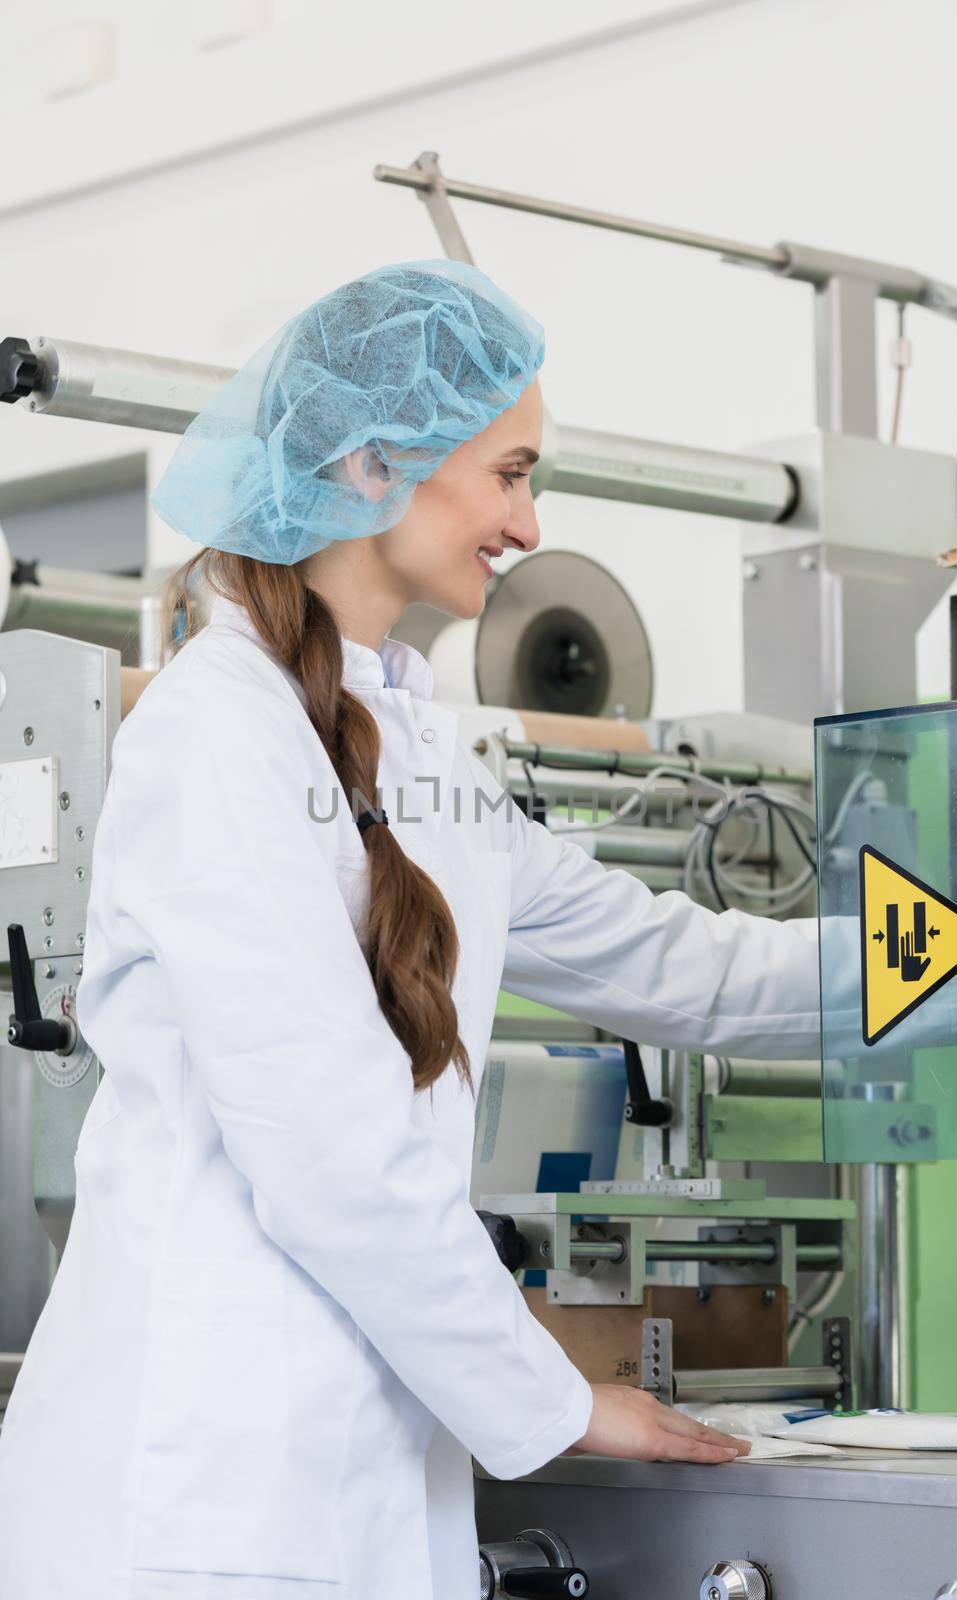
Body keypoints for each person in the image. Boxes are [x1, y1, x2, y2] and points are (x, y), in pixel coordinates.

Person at [0, 260, 836, 1600]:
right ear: (378, 464)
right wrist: (554, 1396)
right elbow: (335, 1154)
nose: (527, 521)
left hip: (350, 1489)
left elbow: (671, 961)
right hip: (199, 1497)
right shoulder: (217, 739)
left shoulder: (425, 758)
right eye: (509, 473)